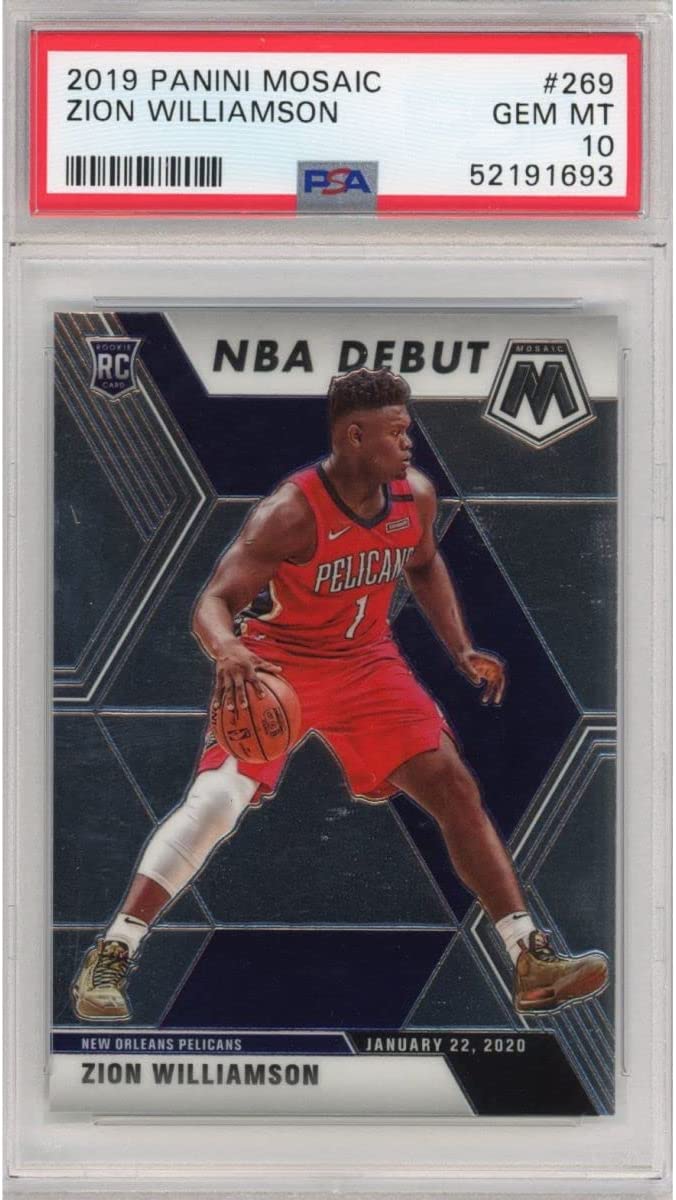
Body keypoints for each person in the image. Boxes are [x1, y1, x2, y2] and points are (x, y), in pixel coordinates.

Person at [72, 367, 608, 1022]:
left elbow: (423, 564)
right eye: (396, 432)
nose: (409, 443)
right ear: (355, 436)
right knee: (215, 802)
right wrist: (229, 648)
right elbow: (214, 600)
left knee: (454, 784)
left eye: (408, 430)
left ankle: (530, 960)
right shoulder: (291, 512)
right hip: (280, 666)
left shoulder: (414, 497)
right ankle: (114, 950)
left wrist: (460, 647)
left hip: (367, 665)